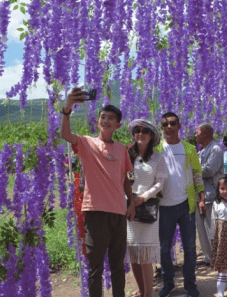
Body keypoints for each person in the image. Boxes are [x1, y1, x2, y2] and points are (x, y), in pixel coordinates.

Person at [60, 88, 136, 297]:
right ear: (97, 122)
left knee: (118, 266)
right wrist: (67, 109)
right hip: (95, 212)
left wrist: (132, 203)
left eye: (111, 118)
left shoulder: (121, 149)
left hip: (119, 213)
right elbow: (65, 134)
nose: (106, 120)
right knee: (95, 268)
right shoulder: (86, 143)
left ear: (118, 124)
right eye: (103, 117)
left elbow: (127, 178)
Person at [157, 112, 206, 297]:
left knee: (190, 248)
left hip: (187, 204)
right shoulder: (156, 149)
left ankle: (190, 284)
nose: (168, 127)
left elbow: (197, 175)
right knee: (164, 248)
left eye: (172, 123)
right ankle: (168, 283)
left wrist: (202, 199)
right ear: (161, 128)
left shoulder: (189, 148)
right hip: (164, 206)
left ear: (179, 125)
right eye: (165, 124)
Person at [126, 119, 167, 297]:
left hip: (147, 208)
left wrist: (143, 197)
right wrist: (129, 198)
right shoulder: (128, 156)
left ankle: (148, 294)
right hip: (128, 207)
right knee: (134, 254)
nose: (140, 133)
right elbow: (125, 179)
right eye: (137, 130)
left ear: (151, 136)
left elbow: (160, 183)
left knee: (144, 256)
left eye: (145, 131)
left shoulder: (158, 158)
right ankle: (142, 291)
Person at [194, 123, 224, 267]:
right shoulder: (200, 151)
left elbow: (209, 170)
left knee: (212, 228)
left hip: (211, 195)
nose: (195, 135)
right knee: (202, 229)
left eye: (197, 132)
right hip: (200, 195)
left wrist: (191, 169)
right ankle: (208, 257)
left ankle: (218, 256)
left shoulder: (215, 149)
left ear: (206, 133)